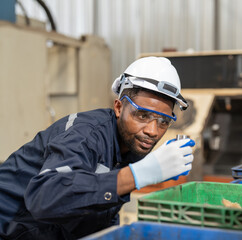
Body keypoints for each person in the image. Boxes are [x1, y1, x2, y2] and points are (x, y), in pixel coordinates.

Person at [0, 56, 195, 239]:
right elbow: (43, 198)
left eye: (163, 121)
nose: (153, 131)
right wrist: (135, 175)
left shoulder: (132, 147)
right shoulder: (86, 134)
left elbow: (100, 210)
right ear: (119, 107)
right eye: (142, 115)